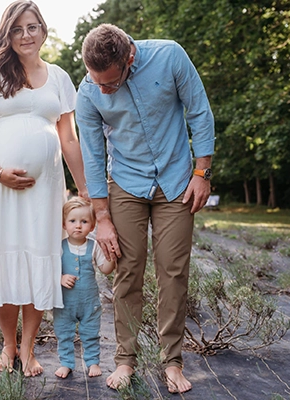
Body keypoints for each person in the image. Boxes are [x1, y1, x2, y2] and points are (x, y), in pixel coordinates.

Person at [75, 24, 215, 393]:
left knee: (172, 271)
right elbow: (93, 154)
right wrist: (101, 217)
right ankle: (125, 360)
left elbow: (199, 112)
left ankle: (172, 362)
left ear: (129, 58)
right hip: (125, 183)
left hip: (176, 181)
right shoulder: (88, 91)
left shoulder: (169, 56)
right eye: (95, 81)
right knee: (127, 271)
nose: (101, 89)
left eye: (109, 82)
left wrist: (202, 172)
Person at [0, 0, 87, 377]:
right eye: (17, 29)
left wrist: (84, 191)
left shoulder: (61, 78)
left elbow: (69, 139)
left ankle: (30, 350)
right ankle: (8, 345)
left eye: (32, 27)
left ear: (43, 29)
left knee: (39, 257)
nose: (25, 35)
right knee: (4, 256)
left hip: (46, 186)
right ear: (8, 34)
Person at [53, 197, 115, 379]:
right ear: (64, 224)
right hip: (65, 304)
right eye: (72, 221)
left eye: (84, 221)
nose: (78, 226)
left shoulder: (94, 246)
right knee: (64, 333)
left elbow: (105, 269)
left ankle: (92, 362)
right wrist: (60, 278)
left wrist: (111, 256)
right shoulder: (60, 247)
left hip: (89, 302)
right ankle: (66, 363)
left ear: (93, 225)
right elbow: (49, 270)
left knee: (90, 332)